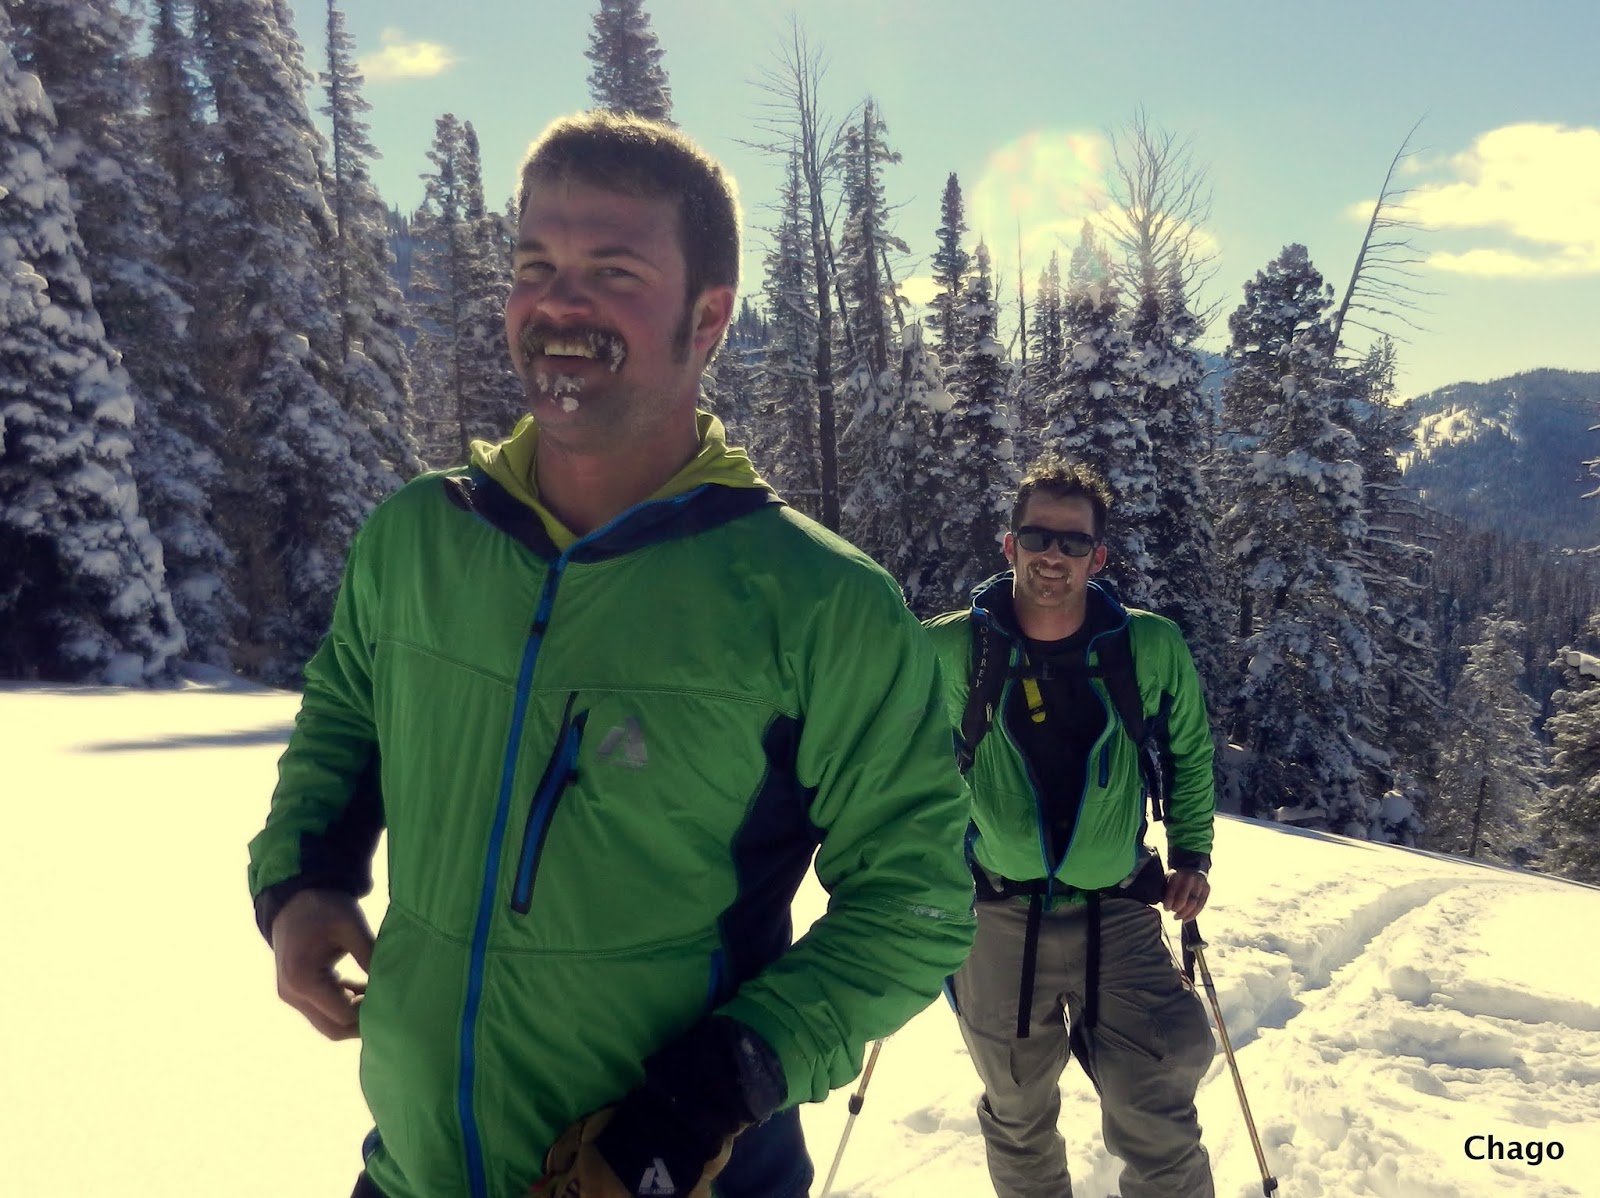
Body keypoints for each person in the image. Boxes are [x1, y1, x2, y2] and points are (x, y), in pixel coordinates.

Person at [247, 111, 975, 1198]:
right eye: (535, 264)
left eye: (613, 270)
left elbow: (916, 901)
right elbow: (347, 716)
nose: (560, 302)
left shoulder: (815, 602)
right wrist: (302, 882)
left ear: (708, 317)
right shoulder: (419, 537)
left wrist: (704, 1097)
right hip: (412, 1170)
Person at [923, 456, 1218, 1198]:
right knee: (1017, 1112)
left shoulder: (1148, 647)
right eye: (1037, 537)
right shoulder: (950, 648)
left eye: (1072, 542)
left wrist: (1192, 854)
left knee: (1155, 1100)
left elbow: (1188, 750)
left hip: (1114, 910)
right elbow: (898, 761)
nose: (1053, 555)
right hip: (993, 912)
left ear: (1099, 555)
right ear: (1009, 545)